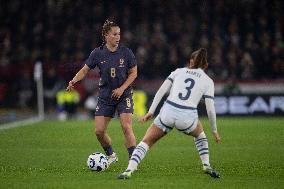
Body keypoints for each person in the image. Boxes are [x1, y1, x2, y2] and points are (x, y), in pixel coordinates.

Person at [118, 48, 221, 179]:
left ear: (191, 62)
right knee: (200, 135)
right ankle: (206, 165)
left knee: (146, 141)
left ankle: (129, 170)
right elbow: (210, 109)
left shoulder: (178, 71)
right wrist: (214, 130)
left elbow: (161, 91)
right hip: (187, 117)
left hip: (168, 112)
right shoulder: (208, 81)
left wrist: (151, 111)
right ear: (205, 65)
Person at [66, 19, 137, 165]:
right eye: (114, 34)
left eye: (119, 34)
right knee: (99, 131)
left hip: (124, 95)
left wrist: (122, 88)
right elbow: (85, 70)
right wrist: (74, 80)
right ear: (105, 35)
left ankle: (133, 161)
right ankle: (111, 155)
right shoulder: (97, 53)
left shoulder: (126, 52)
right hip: (105, 96)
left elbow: (134, 73)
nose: (118, 37)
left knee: (126, 126)